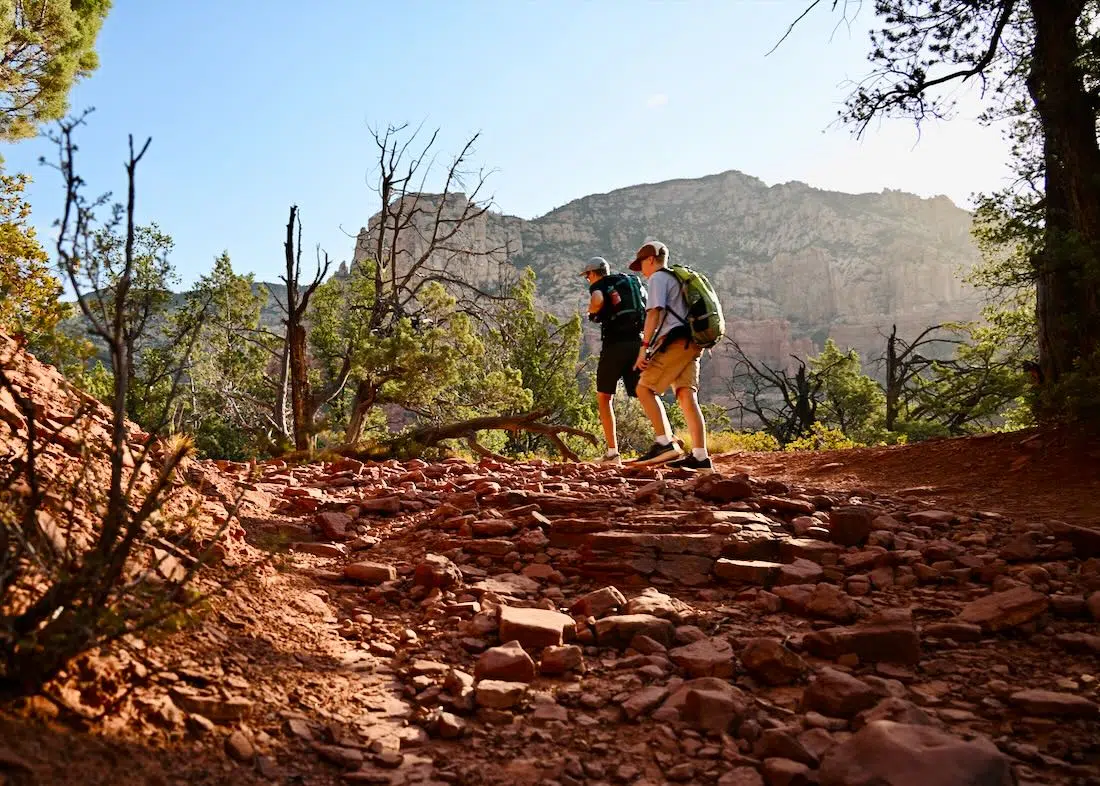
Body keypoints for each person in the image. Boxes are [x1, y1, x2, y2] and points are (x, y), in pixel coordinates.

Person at [629, 240, 712, 470]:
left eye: (641, 264)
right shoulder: (676, 277)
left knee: (644, 388)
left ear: (651, 260)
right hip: (694, 342)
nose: (642, 271)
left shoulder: (658, 278)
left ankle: (664, 443)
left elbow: (654, 313)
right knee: (686, 396)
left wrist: (644, 348)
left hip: (676, 343)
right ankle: (700, 457)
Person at [582, 256, 645, 465]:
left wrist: (591, 310)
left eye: (587, 276)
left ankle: (612, 452)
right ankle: (666, 438)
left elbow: (598, 300)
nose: (587, 280)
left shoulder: (599, 285)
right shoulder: (626, 283)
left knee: (604, 397)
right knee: (646, 394)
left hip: (615, 346)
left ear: (592, 274)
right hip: (637, 342)